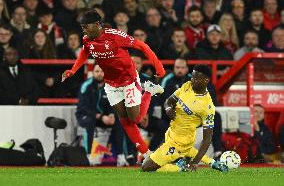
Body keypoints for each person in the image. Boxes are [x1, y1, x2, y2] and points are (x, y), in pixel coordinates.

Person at [62, 10, 166, 158]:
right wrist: (72, 70)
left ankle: (148, 90)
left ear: (97, 24)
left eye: (86, 26)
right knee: (124, 120)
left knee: (135, 119)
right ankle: (147, 153)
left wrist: (159, 67)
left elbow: (142, 46)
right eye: (82, 27)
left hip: (129, 80)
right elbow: (85, 53)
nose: (84, 30)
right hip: (111, 84)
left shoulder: (115, 36)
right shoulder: (87, 39)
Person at [141, 65, 228, 172]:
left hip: (180, 142)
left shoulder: (207, 106)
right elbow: (169, 101)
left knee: (146, 167)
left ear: (206, 80)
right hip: (171, 133)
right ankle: (213, 162)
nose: (192, 80)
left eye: (197, 78)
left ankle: (180, 168)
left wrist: (195, 162)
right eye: (193, 76)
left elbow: (207, 138)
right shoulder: (187, 86)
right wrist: (168, 109)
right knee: (186, 151)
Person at [76, 64, 129, 166]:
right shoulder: (86, 86)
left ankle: (121, 156)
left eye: (102, 71)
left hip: (102, 117)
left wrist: (112, 114)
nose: (99, 74)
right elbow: (84, 107)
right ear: (93, 73)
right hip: (85, 115)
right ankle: (88, 156)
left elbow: (113, 103)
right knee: (89, 122)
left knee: (120, 121)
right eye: (97, 71)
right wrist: (100, 116)